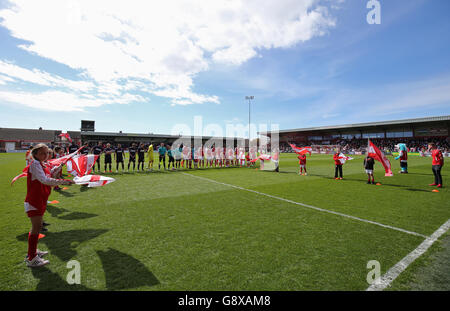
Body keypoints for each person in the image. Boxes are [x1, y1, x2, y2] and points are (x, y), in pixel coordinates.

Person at [24, 144, 73, 267]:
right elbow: (45, 180)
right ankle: (32, 258)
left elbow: (49, 174)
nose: (46, 155)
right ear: (35, 154)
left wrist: (59, 167)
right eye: (42, 153)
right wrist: (64, 181)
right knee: (36, 228)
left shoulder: (41, 164)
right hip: (34, 200)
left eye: (47, 153)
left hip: (39, 199)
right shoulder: (35, 164)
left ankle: (32, 252)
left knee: (37, 227)